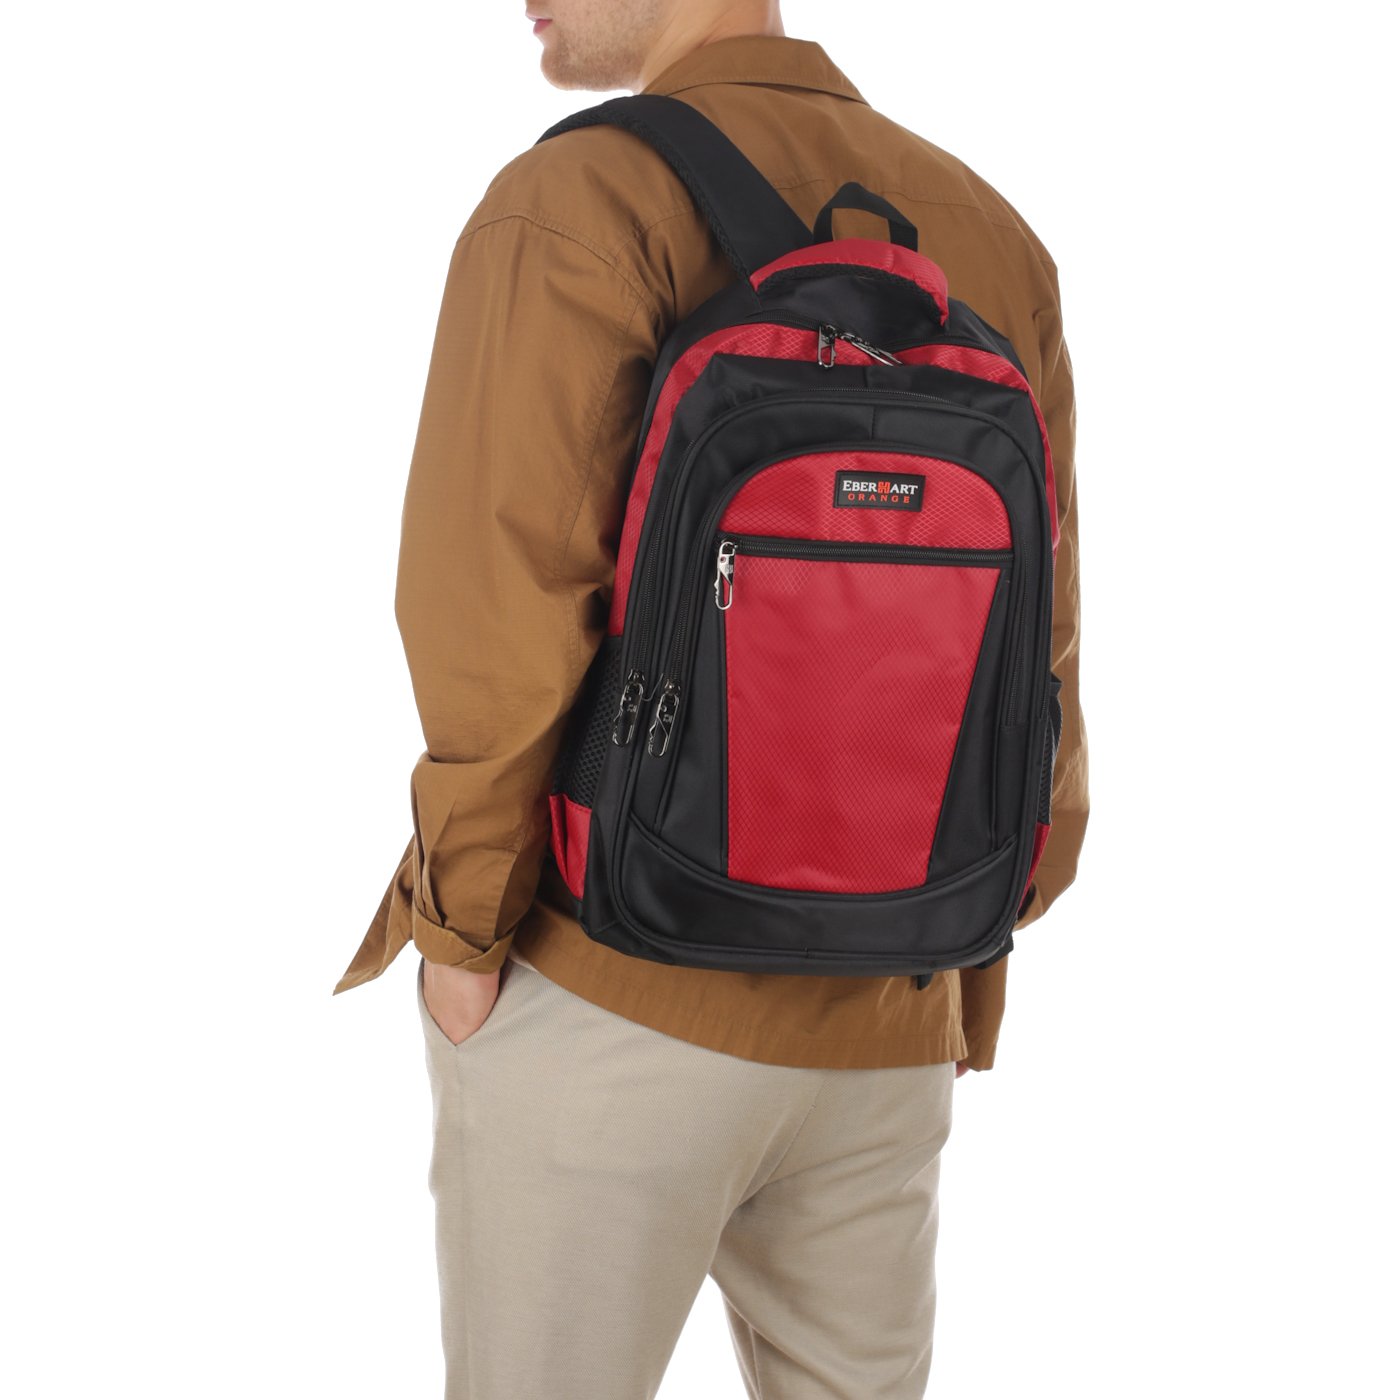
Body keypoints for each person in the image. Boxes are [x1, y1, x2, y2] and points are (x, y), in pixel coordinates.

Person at [337, 2, 1088, 1395]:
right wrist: (974, 953)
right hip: (894, 1004)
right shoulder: (986, 228)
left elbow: (489, 602)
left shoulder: (580, 198)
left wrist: (458, 938)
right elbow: (1038, 646)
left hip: (613, 986)